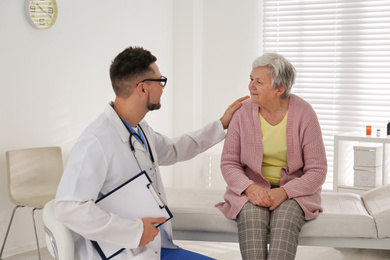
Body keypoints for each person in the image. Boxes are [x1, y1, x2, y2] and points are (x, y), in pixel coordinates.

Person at [54, 46, 248, 260]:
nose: (163, 88)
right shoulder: (96, 140)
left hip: (155, 248)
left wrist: (221, 124)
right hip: (124, 252)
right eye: (160, 81)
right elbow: (68, 208)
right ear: (142, 88)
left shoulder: (139, 128)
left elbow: (174, 149)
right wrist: (135, 231)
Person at [216, 53, 327, 260]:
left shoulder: (304, 113)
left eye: (259, 82)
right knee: (250, 217)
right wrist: (249, 188)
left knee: (284, 221)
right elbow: (229, 163)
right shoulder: (242, 113)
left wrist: (285, 191)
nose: (251, 86)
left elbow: (317, 170)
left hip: (296, 192)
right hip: (252, 188)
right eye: (251, 79)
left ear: (280, 89)